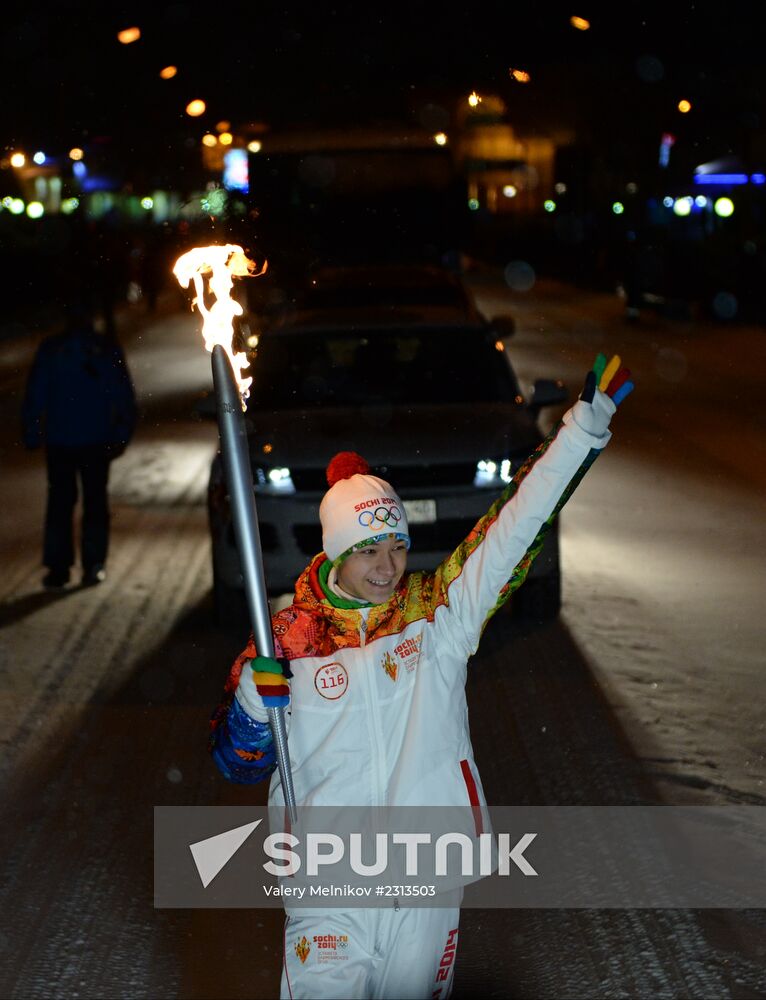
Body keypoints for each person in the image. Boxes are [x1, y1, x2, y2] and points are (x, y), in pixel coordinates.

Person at [210, 354, 634, 999]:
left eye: (397, 547)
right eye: (368, 552)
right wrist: (248, 705)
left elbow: (513, 530)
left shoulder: (437, 618)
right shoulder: (286, 640)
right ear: (333, 552)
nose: (387, 568)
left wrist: (579, 435)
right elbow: (238, 764)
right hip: (327, 888)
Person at [21, 297, 137, 589]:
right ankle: (86, 564)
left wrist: (33, 430)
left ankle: (70, 566)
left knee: (67, 503)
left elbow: (36, 394)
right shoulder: (91, 349)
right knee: (87, 503)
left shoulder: (74, 350)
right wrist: (121, 433)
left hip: (77, 440)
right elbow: (123, 396)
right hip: (81, 440)